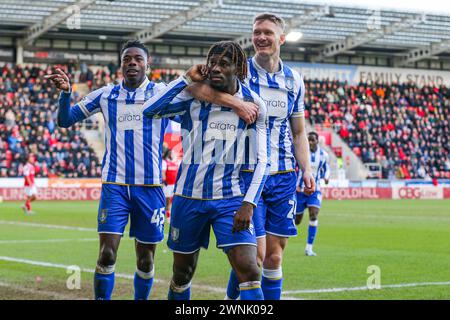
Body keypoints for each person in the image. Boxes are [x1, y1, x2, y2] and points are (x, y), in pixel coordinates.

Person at [186, 13, 315, 300]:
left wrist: (306, 168)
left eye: (268, 32)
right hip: (246, 173)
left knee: (274, 257)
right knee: (254, 254)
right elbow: (194, 88)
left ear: (281, 38)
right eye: (257, 32)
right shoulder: (240, 71)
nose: (261, 37)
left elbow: (298, 132)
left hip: (282, 176)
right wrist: (232, 101)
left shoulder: (294, 80)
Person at [143, 41, 269, 300]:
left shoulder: (255, 104)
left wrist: (249, 203)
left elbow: (263, 160)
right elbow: (149, 111)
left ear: (240, 69)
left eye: (224, 64)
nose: (215, 68)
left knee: (249, 268)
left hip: (230, 199)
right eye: (212, 62)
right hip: (188, 198)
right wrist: (184, 78)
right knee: (182, 273)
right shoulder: (192, 98)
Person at [46, 40, 171, 300]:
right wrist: (66, 92)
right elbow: (65, 120)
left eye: (138, 59)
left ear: (148, 64)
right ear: (121, 65)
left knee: (146, 259)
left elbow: (192, 110)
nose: (133, 63)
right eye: (127, 59)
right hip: (114, 186)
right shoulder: (106, 95)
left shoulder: (162, 93)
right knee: (106, 253)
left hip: (150, 188)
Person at [295, 132, 330, 256]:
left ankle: (309, 248)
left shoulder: (324, 155)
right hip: (300, 191)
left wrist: (326, 177)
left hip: (315, 189)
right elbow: (294, 168)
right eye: (308, 140)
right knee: (297, 221)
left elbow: (327, 169)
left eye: (312, 140)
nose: (310, 142)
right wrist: (295, 185)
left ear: (317, 141)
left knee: (314, 214)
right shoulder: (301, 153)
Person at [162, 148, 178, 223]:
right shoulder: (165, 162)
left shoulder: (175, 162)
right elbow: (163, 173)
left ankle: (169, 216)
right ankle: (166, 218)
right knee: (167, 201)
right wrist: (164, 181)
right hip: (167, 185)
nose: (172, 154)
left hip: (174, 185)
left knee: (173, 201)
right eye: (171, 153)